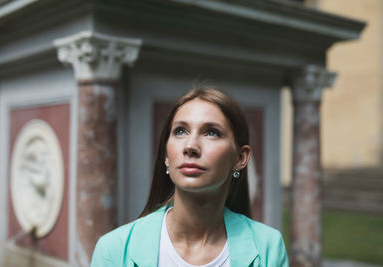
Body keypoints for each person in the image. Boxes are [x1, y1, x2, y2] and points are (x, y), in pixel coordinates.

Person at [91, 87, 289, 267]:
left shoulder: (268, 249)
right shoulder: (113, 250)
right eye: (180, 131)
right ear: (166, 156)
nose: (190, 146)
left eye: (211, 132)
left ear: (240, 158)